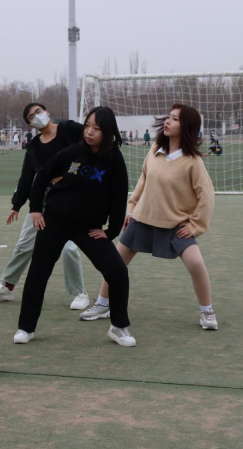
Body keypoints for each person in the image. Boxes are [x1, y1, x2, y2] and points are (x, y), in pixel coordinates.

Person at [80, 104, 218, 333]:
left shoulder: (193, 161)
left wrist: (195, 225)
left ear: (187, 127)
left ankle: (207, 312)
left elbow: (206, 194)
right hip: (142, 219)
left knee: (196, 264)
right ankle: (103, 304)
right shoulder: (155, 149)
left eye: (175, 119)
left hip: (175, 224)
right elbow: (142, 183)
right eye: (169, 117)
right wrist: (130, 209)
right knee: (115, 264)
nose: (168, 121)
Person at [14, 106, 133, 346]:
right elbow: (42, 176)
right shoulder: (73, 151)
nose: (89, 132)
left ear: (107, 131)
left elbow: (119, 197)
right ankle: (26, 328)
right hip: (55, 221)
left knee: (117, 271)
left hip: (88, 228)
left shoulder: (114, 159)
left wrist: (110, 231)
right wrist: (35, 208)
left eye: (96, 128)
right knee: (38, 273)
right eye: (87, 126)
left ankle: (119, 327)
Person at [0, 102, 89, 310]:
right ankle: (7, 286)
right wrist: (16, 204)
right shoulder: (33, 146)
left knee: (68, 247)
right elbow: (27, 176)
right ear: (30, 125)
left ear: (47, 112)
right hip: (43, 201)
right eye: (31, 117)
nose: (36, 116)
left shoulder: (69, 129)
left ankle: (80, 292)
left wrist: (69, 174)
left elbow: (85, 153)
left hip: (71, 198)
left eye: (38, 112)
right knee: (25, 243)